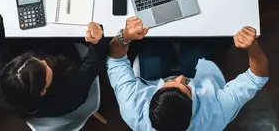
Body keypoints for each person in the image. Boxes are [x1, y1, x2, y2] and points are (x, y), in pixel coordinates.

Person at [108, 17, 269, 131]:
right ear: (193, 112)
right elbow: (257, 77)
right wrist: (252, 46)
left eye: (166, 87)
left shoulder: (132, 107)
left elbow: (115, 59)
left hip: (153, 76)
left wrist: (126, 35)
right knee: (196, 45)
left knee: (154, 40)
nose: (180, 77)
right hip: (200, 77)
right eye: (187, 87)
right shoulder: (216, 114)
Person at [0, 4, 110, 117]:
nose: (43, 61)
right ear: (43, 91)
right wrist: (97, 41)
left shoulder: (2, 91)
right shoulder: (71, 95)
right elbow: (92, 63)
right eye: (44, 66)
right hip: (65, 63)